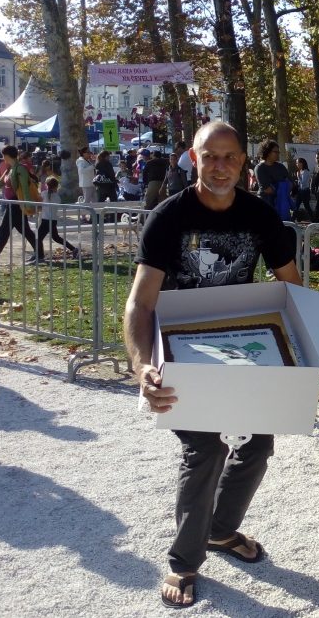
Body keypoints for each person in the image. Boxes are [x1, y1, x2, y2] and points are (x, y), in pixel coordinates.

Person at [123, 120, 301, 609]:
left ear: (243, 163)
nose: (220, 166)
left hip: (243, 349)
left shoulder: (262, 218)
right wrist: (143, 367)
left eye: (229, 157)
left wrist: (301, 356)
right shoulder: (167, 218)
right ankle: (184, 561)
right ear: (192, 158)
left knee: (258, 445)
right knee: (204, 450)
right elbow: (140, 304)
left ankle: (221, 531)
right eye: (210, 156)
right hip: (183, 350)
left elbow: (293, 289)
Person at [0, 145, 45, 264]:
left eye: (3, 155)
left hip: (17, 204)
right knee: (25, 231)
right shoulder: (10, 169)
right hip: (14, 204)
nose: (2, 158)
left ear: (6, 155)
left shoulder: (19, 169)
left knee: (5, 229)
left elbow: (25, 188)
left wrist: (27, 205)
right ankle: (40, 255)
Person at [36, 176, 80, 259]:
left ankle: (39, 256)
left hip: (46, 220)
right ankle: (74, 249)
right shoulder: (57, 197)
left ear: (46, 185)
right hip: (53, 220)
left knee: (38, 238)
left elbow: (39, 206)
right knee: (56, 238)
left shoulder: (43, 194)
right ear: (56, 186)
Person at [253, 140, 290, 209]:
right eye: (275, 152)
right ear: (268, 152)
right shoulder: (260, 168)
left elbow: (289, 183)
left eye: (278, 152)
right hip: (265, 201)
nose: (278, 154)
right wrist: (282, 187)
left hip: (280, 202)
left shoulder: (281, 167)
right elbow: (267, 189)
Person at [294, 156, 314, 221]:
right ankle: (293, 219)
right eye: (296, 163)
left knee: (307, 206)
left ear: (302, 163)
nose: (296, 164)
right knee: (296, 205)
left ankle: (313, 219)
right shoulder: (300, 171)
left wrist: (298, 177)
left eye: (297, 163)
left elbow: (304, 183)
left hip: (305, 191)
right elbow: (300, 183)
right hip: (300, 191)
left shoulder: (305, 171)